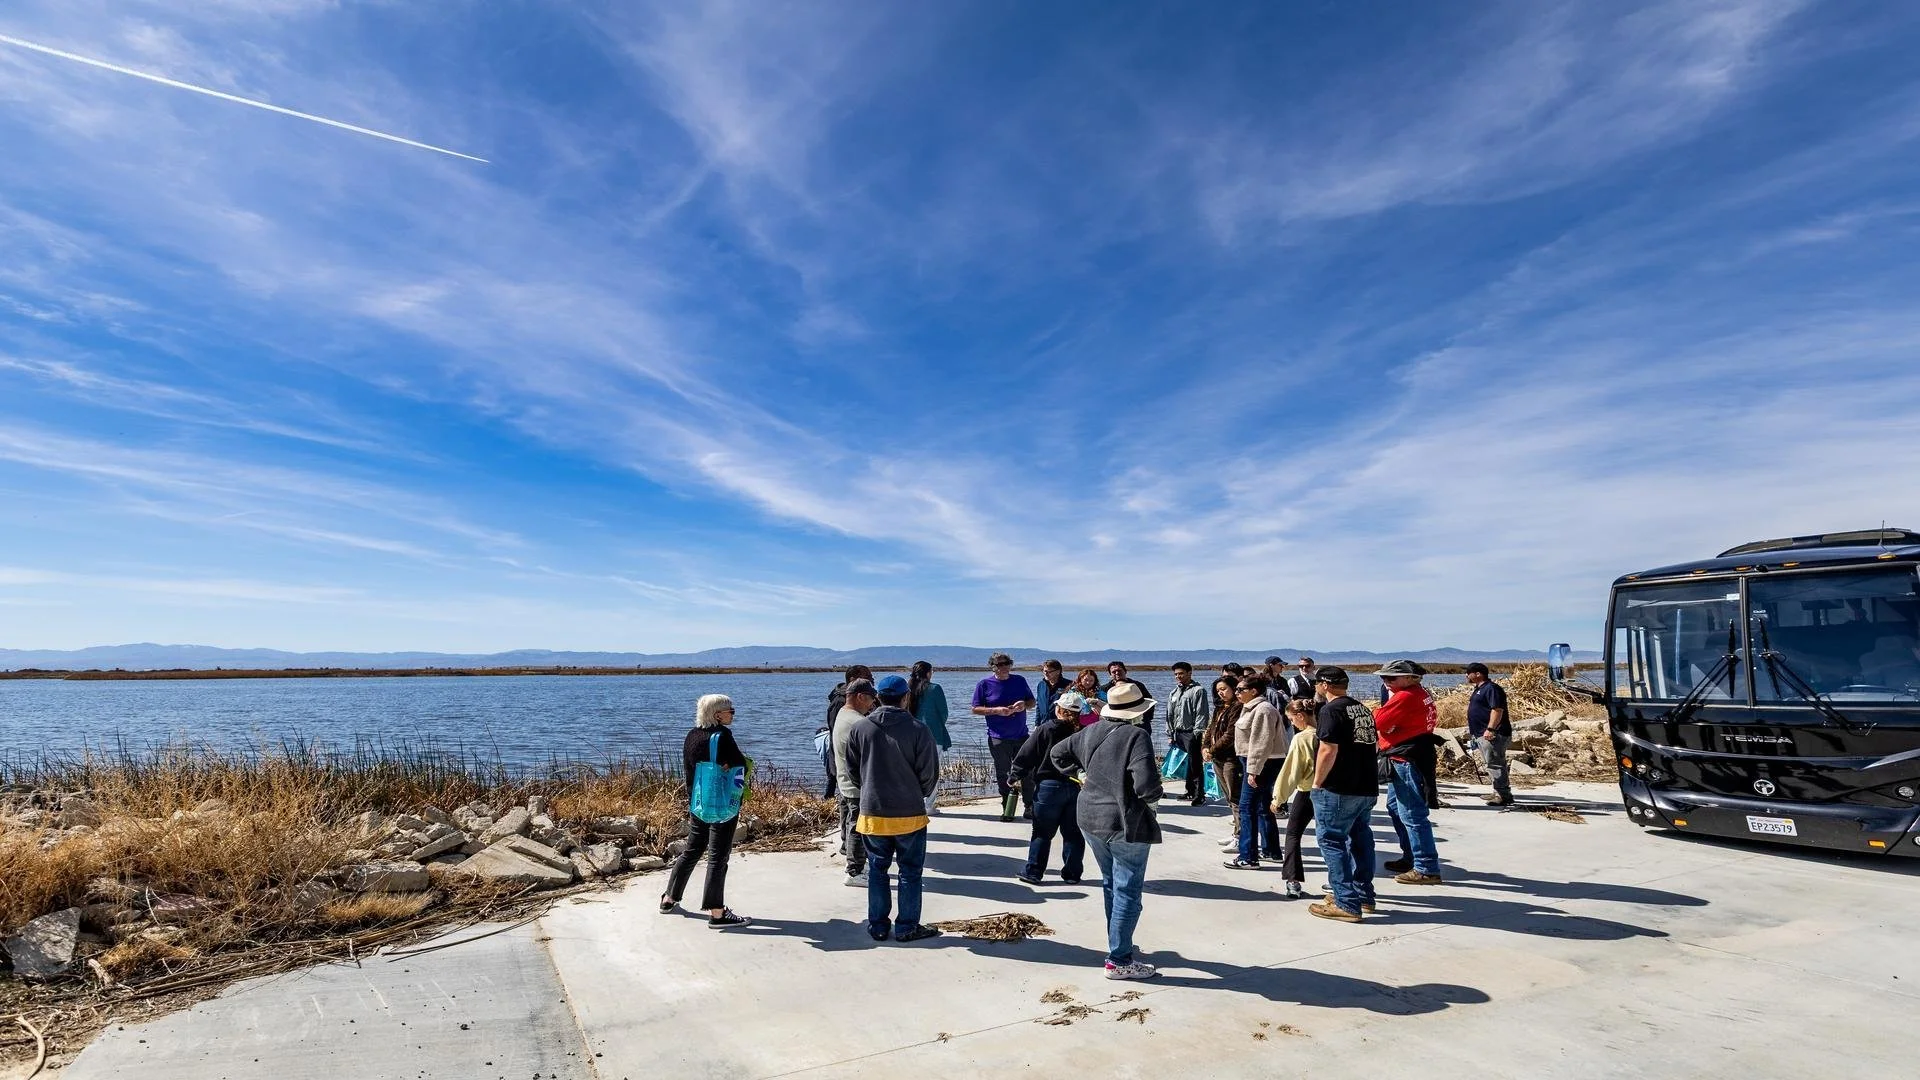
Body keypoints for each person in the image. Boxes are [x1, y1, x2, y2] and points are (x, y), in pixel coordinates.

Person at [1050, 680, 1162, 980]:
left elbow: (1057, 754)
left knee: (1112, 883)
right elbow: (1147, 786)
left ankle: (1118, 944)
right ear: (1137, 712)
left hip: (1089, 817)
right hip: (1122, 820)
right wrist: (1154, 797)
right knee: (1128, 890)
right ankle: (1119, 960)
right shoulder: (1137, 735)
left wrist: (1080, 774)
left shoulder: (1090, 730)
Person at [845, 674, 943, 943]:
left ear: (878, 697)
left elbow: (853, 770)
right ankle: (907, 927)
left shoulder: (860, 728)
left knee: (877, 871)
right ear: (905, 697)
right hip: (909, 813)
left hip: (872, 812)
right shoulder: (918, 729)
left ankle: (878, 926)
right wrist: (917, 793)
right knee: (910, 872)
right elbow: (929, 773)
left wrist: (869, 789)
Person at [660, 694, 751, 928]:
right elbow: (740, 764)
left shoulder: (692, 735)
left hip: (698, 802)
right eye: (730, 711)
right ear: (717, 715)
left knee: (692, 849)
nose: (733, 714)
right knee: (718, 856)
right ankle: (717, 913)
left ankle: (669, 898)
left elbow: (691, 768)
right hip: (721, 804)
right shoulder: (723, 736)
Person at [1309, 667, 1379, 923]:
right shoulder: (1361, 709)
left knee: (1331, 841)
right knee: (1361, 839)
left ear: (1325, 685)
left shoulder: (1331, 710)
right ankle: (1363, 894)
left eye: (1317, 683)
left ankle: (1346, 902)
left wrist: (1317, 782)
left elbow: (1328, 749)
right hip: (1365, 785)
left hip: (1339, 787)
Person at [1008, 691, 1088, 885]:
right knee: (1073, 833)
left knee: (1042, 832)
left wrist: (1014, 775)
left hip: (1048, 787)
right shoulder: (1084, 732)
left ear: (1058, 709)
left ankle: (1034, 872)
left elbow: (1026, 754)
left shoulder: (1046, 729)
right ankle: (1072, 874)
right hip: (1076, 786)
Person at [1374, 660, 1443, 884]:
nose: (1386, 681)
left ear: (1408, 677)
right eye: (1383, 677)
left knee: (1412, 814)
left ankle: (1426, 867)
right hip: (1407, 755)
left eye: (1391, 678)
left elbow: (1378, 721)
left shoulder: (1405, 696)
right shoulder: (1418, 693)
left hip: (1407, 758)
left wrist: (1386, 724)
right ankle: (1412, 857)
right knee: (1396, 808)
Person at [1225, 675, 1285, 869]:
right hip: (1257, 762)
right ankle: (1271, 851)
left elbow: (1261, 742)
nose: (1237, 693)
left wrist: (1253, 770)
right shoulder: (1250, 707)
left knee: (1247, 808)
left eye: (1241, 690)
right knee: (1262, 806)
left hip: (1262, 763)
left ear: (1254, 691)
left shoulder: (1263, 710)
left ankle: (1248, 857)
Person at [972, 653, 1037, 821]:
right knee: (1004, 773)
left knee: (1027, 771)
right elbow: (975, 709)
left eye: (1006, 663)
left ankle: (1029, 806)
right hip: (998, 738)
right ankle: (1007, 808)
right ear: (992, 666)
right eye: (999, 664)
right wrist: (996, 711)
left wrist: (1024, 705)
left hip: (1021, 735)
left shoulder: (1019, 680)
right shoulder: (984, 684)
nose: (1004, 667)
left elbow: (1032, 702)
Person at [1270, 698, 1319, 900]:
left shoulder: (1302, 738)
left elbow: (1292, 771)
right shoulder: (1326, 733)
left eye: (1291, 719)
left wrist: (1278, 798)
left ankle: (1293, 880)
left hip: (1307, 791)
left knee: (1292, 835)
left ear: (1300, 716)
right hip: (1330, 792)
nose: (1292, 724)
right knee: (1334, 838)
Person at [833, 678, 877, 887]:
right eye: (871, 699)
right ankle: (854, 871)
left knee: (852, 823)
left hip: (845, 781)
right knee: (859, 827)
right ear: (860, 697)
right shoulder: (857, 722)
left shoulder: (843, 714)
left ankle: (855, 863)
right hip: (857, 784)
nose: (873, 703)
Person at [819, 665, 873, 798]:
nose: (871, 681)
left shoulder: (866, 695)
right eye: (867, 678)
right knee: (835, 784)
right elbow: (836, 731)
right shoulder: (840, 702)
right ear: (853, 680)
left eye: (871, 678)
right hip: (842, 754)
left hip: (855, 755)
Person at [1203, 676, 1244, 850]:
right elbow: (1211, 729)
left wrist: (1212, 750)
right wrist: (1205, 747)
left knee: (1236, 797)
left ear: (1234, 689)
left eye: (1224, 689)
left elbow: (1230, 735)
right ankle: (1236, 832)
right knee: (1228, 797)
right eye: (1218, 690)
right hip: (1217, 758)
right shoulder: (1220, 707)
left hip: (1230, 757)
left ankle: (1241, 836)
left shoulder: (1238, 707)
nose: (1221, 693)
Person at [1163, 661, 1212, 805]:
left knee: (1195, 764)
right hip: (1177, 732)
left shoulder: (1198, 690)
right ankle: (1189, 791)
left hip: (1191, 733)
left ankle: (1199, 794)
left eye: (1181, 674)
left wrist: (1197, 732)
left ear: (1189, 673)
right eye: (1176, 674)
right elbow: (1169, 714)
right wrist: (1170, 733)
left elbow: (1202, 713)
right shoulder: (1174, 692)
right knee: (1186, 764)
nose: (1178, 676)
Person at [1464, 662, 1513, 806]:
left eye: (1468, 672)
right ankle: (1497, 791)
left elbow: (1497, 709)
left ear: (1478, 674)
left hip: (1493, 734)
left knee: (1495, 764)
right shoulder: (1479, 689)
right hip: (1481, 733)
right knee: (1491, 764)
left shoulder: (1491, 688)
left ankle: (1503, 795)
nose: (1466, 675)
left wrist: (1491, 729)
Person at [908, 661, 952, 815]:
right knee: (932, 772)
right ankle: (928, 806)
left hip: (911, 735)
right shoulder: (935, 688)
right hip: (933, 734)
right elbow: (944, 712)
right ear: (928, 673)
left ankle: (914, 804)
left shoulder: (908, 689)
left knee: (913, 771)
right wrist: (938, 724)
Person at [1103, 661, 1154, 726]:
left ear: (1125, 671)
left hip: (1140, 721)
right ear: (1110, 675)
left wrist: (1148, 718)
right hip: (1115, 723)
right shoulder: (1105, 689)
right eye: (1114, 672)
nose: (1117, 673)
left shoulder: (1137, 685)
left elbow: (1149, 702)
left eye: (1119, 670)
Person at [1034, 660, 1071, 731]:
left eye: (1049, 671)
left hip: (1062, 726)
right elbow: (1038, 706)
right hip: (1043, 725)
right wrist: (1037, 724)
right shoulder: (1041, 685)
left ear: (1058, 672)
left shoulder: (1069, 685)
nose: (1046, 674)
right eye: (1044, 671)